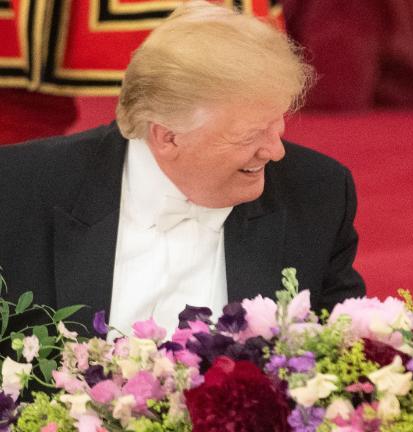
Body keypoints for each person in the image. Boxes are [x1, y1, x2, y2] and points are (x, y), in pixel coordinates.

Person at [0, 1, 365, 335]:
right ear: (167, 138)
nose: (275, 151)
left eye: (277, 124)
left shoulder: (318, 193)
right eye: (251, 135)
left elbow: (343, 357)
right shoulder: (18, 190)